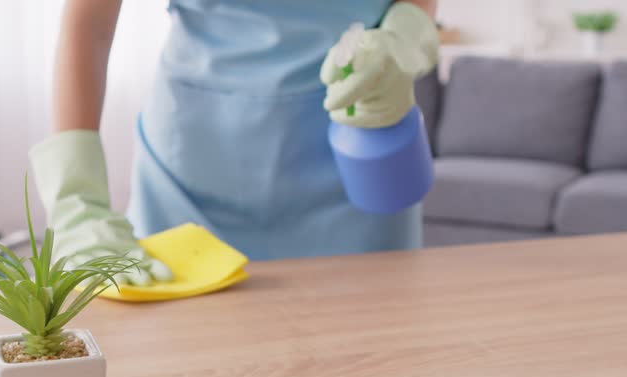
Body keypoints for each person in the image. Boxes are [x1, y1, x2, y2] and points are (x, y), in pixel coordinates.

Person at [31, 0, 439, 285]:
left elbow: (417, 1)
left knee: (374, 368)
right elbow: (90, 24)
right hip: (191, 173)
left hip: (359, 153)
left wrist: (402, 38)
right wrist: (76, 200)